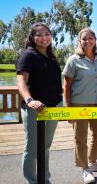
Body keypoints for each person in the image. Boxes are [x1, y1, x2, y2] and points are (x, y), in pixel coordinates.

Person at [16, 23, 62, 184]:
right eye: (39, 35)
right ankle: (32, 180)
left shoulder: (51, 56)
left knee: (45, 147)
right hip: (35, 109)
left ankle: (44, 179)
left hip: (53, 107)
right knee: (32, 149)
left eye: (47, 34)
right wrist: (30, 100)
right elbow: (21, 80)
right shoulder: (28, 55)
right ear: (32, 38)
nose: (44, 37)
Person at [63, 28, 97, 184]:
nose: (87, 41)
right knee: (80, 138)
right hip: (78, 105)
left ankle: (93, 161)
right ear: (79, 41)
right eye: (84, 39)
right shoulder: (73, 60)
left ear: (95, 40)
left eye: (90, 38)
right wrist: (68, 108)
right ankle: (85, 168)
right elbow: (66, 87)